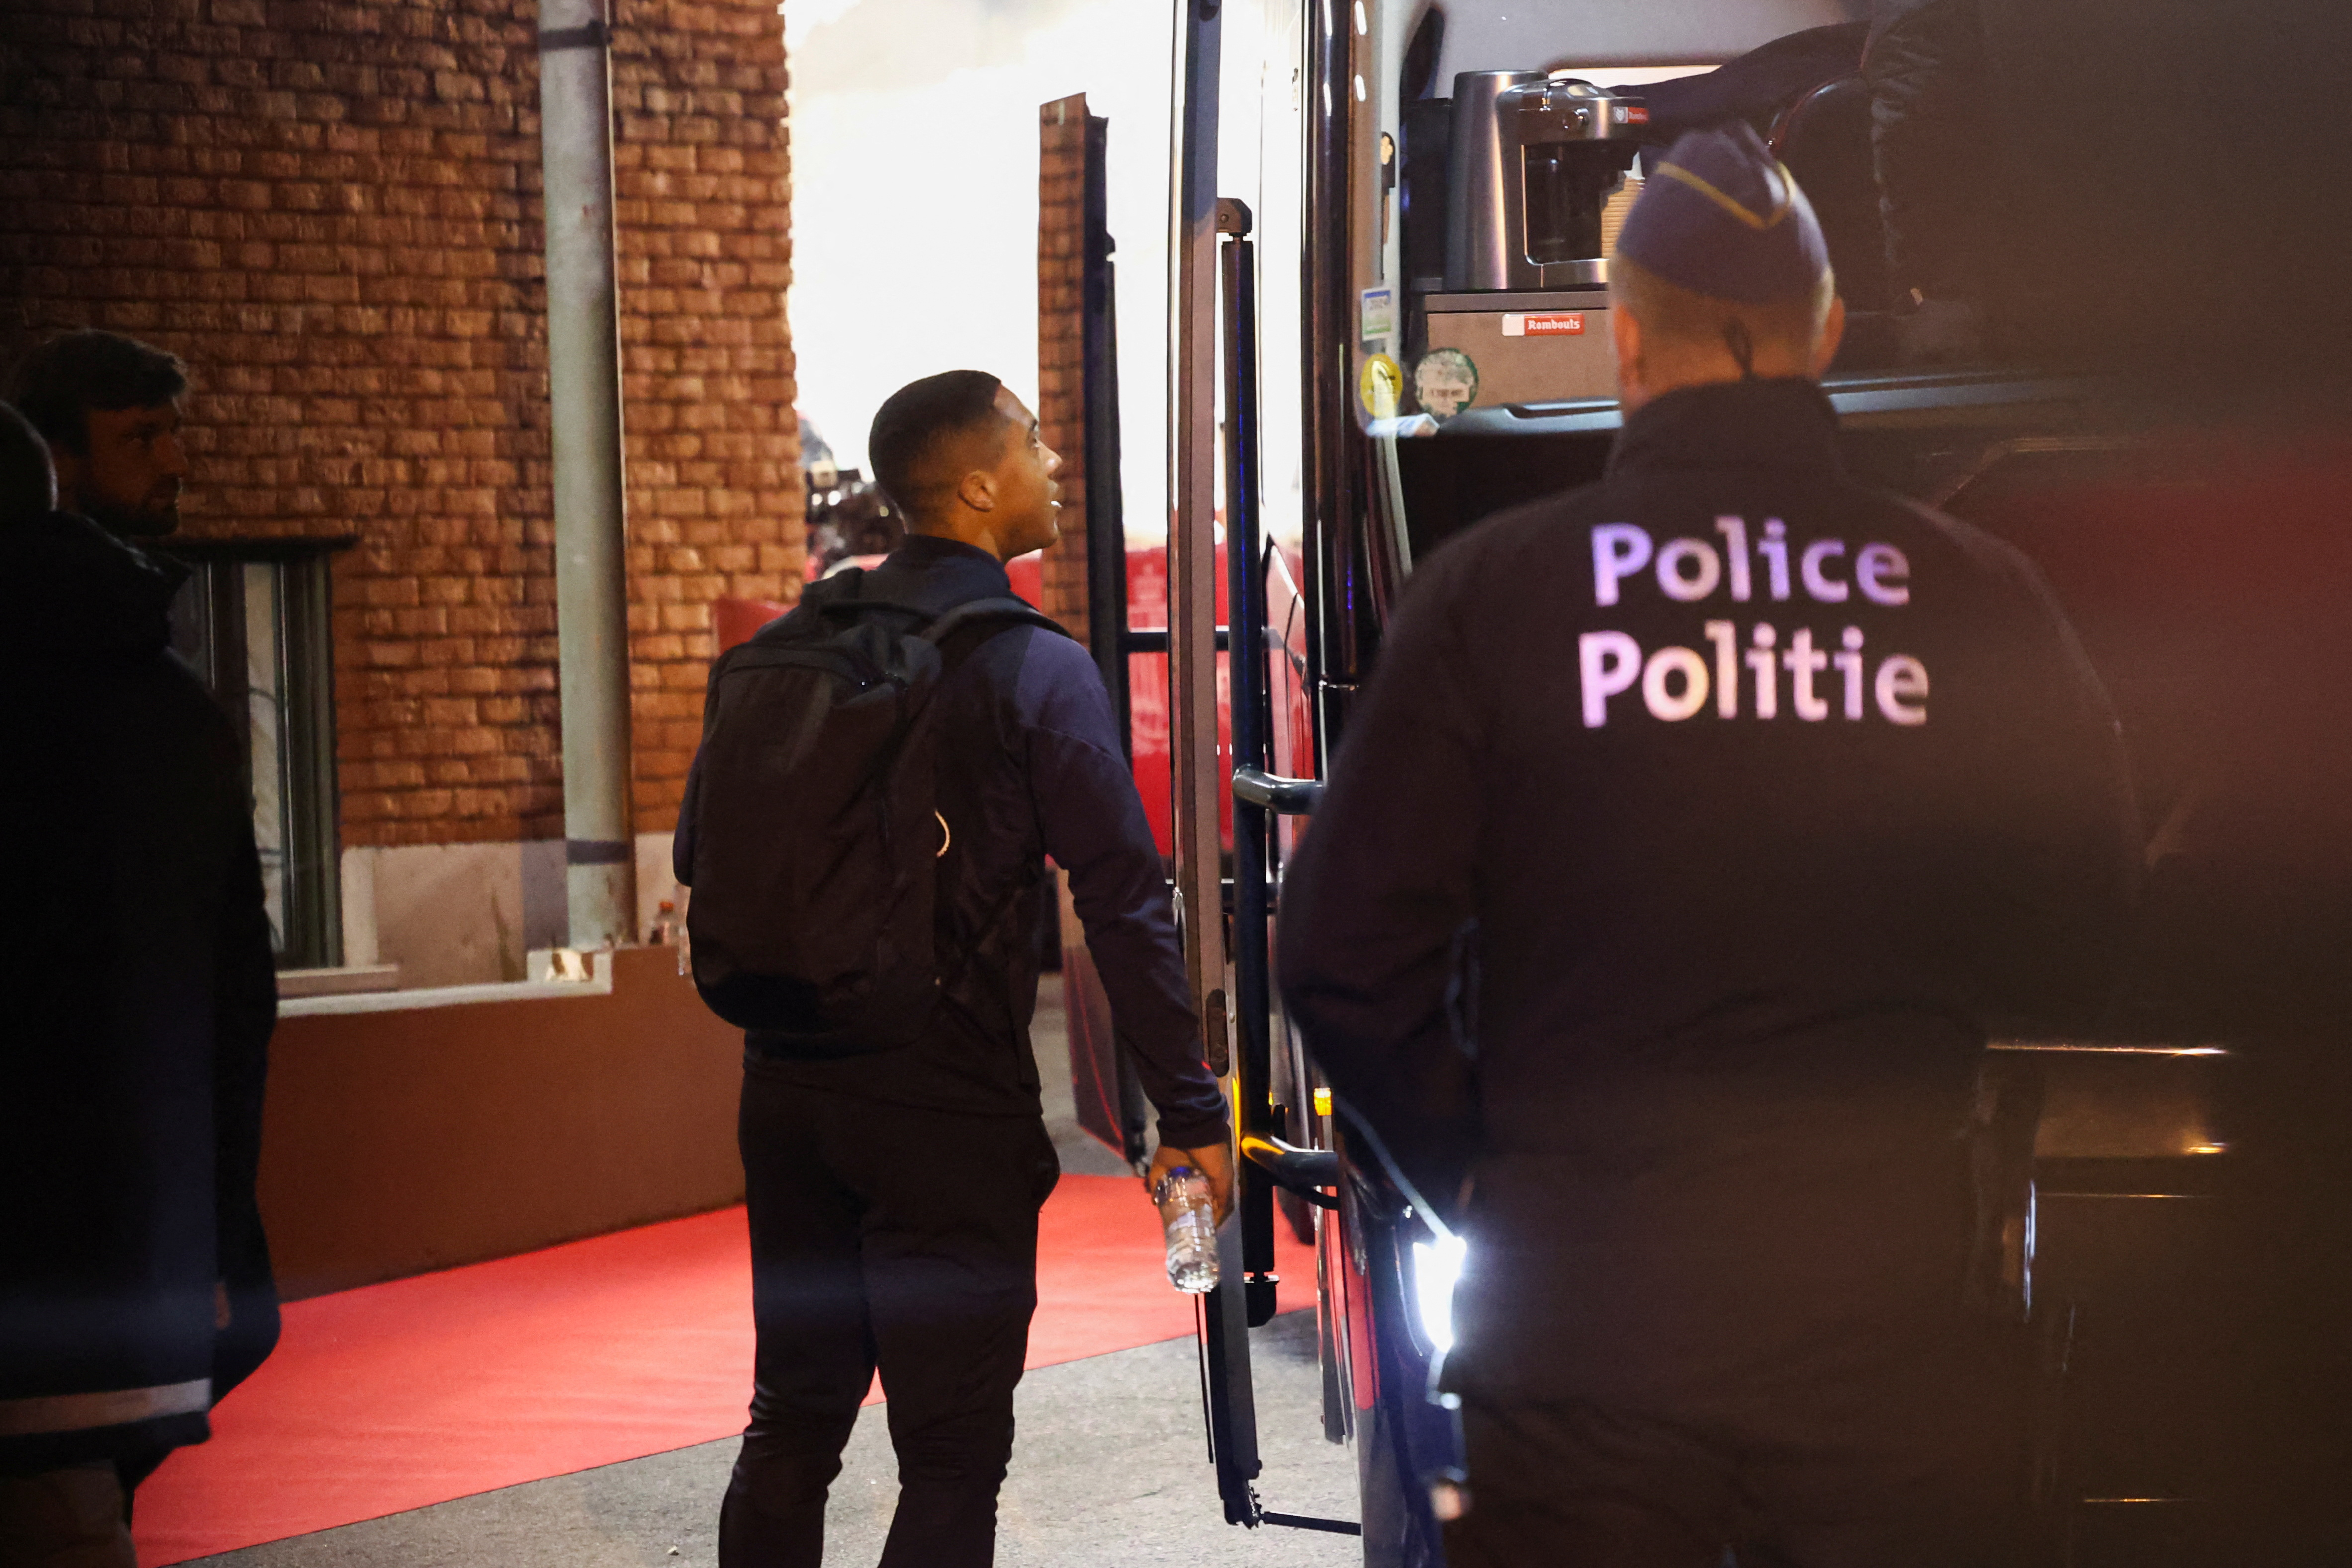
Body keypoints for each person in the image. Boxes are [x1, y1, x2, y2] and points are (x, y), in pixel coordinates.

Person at [1278, 126, 2137, 1568]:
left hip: (1584, 1336)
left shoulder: (1496, 592)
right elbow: (2086, 922)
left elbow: (1338, 953)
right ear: (1828, 332)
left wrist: (1482, 1172)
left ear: (1623, 341)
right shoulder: (1975, 592)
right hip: (1886, 1321)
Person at [675, 370, 1232, 1567]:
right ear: (977, 486)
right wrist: (1190, 1113)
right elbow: (1123, 903)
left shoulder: (789, 642)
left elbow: (697, 852)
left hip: (786, 1087)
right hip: (944, 1103)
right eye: (1031, 440)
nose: (1051, 460)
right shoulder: (1030, 664)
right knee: (949, 1454)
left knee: (792, 1417)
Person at [0, 369, 278, 1563]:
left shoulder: (153, 688)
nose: (174, 460)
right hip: (113, 1235)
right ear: (55, 466)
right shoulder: (160, 698)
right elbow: (234, 990)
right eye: (142, 435)